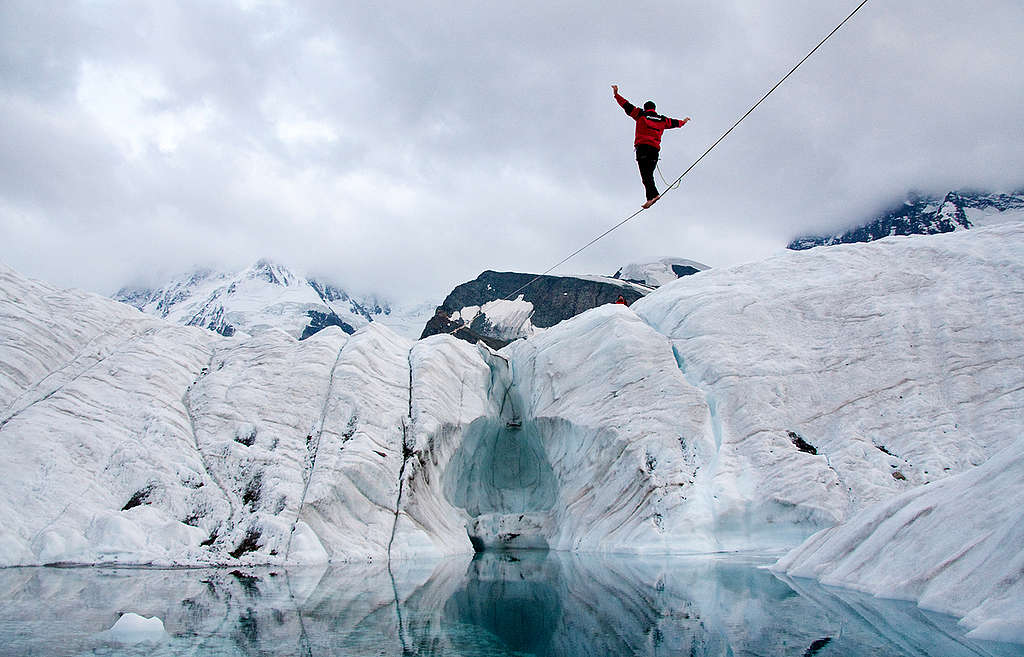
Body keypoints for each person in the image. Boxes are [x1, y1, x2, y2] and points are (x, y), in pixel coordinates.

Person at [612, 85, 690, 208]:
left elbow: (626, 105)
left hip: (643, 148)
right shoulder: (662, 119)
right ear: (654, 109)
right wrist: (683, 122)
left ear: (645, 108)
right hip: (654, 151)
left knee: (646, 175)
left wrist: (616, 95)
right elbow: (674, 123)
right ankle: (652, 196)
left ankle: (653, 196)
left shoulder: (640, 115)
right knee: (648, 175)